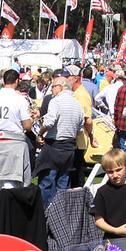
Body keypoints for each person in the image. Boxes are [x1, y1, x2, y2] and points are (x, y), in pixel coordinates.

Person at [0, 69, 34, 223]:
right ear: (17, 81)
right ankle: (11, 214)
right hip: (14, 142)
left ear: (3, 80)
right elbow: (27, 125)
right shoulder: (20, 99)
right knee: (12, 180)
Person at [36, 75, 84, 209]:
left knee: (47, 181)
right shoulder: (77, 104)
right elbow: (80, 130)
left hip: (54, 145)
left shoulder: (56, 101)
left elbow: (50, 121)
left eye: (53, 86)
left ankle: (45, 213)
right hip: (69, 146)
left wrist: (40, 132)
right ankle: (60, 213)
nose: (51, 90)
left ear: (61, 87)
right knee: (63, 183)